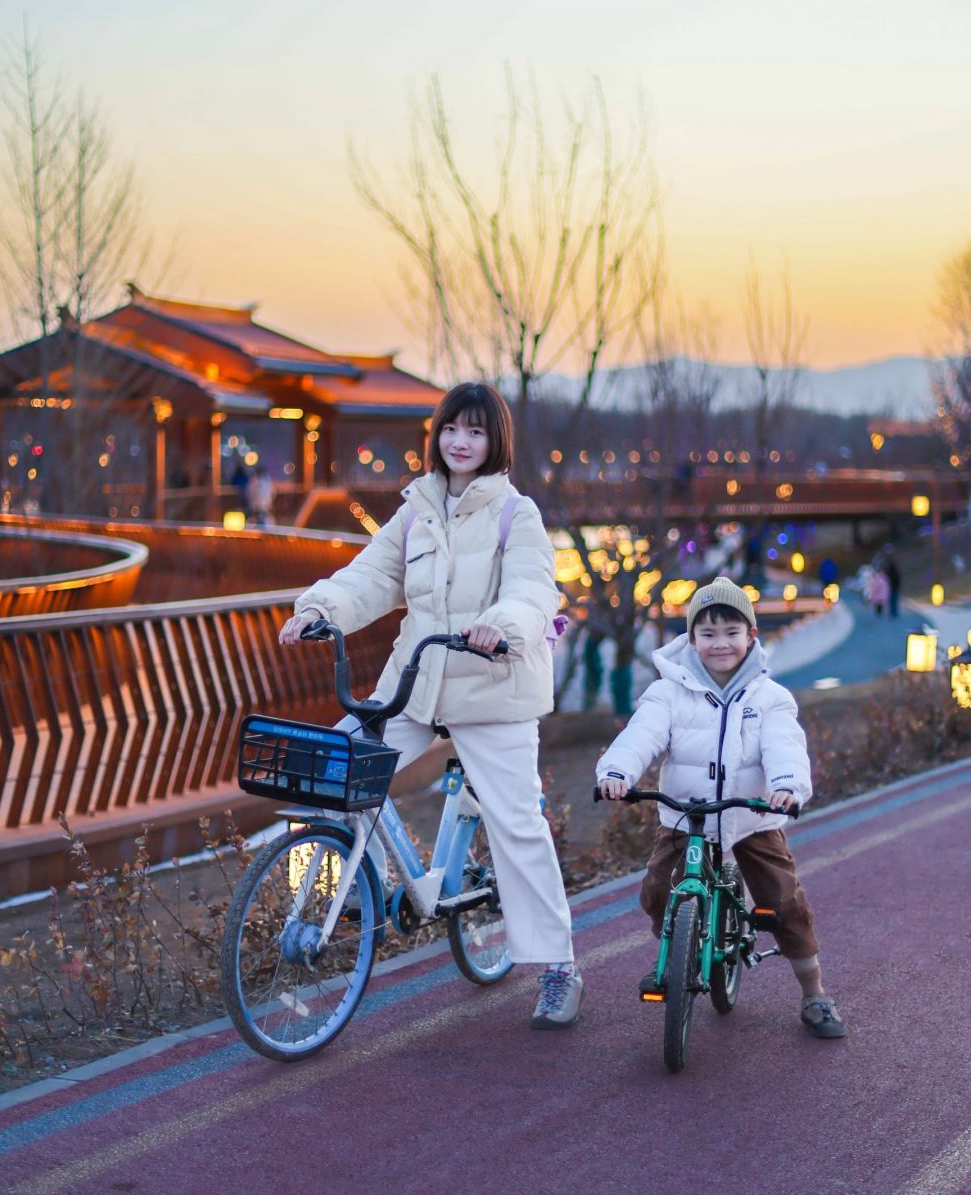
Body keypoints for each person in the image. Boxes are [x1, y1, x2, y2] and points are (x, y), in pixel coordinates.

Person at [279, 382, 581, 1029]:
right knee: (334, 767)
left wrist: (501, 623)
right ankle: (352, 893)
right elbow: (372, 576)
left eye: (474, 431)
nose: (460, 441)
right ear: (436, 435)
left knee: (516, 824)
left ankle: (558, 965)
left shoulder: (514, 514)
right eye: (450, 429)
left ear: (493, 440)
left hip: (493, 687)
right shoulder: (417, 509)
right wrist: (319, 608)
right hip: (416, 684)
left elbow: (534, 588)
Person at [595, 576, 846, 1040]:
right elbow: (641, 736)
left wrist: (786, 786)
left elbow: (783, 748)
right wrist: (616, 774)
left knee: (783, 902)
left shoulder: (769, 698)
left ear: (752, 636)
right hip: (684, 816)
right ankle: (677, 954)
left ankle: (814, 994)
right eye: (707, 634)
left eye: (731, 632)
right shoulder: (668, 692)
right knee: (655, 893)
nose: (720, 644)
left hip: (751, 817)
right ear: (690, 639)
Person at [882, 553, 901, 618]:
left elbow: (888, 575)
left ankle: (893, 613)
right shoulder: (894, 569)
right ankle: (894, 613)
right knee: (893, 600)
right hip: (895, 586)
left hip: (894, 586)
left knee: (892, 600)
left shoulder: (891, 569)